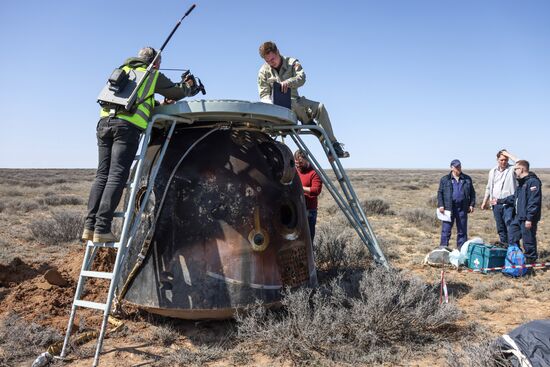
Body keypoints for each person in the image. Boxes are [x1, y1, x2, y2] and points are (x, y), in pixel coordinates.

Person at [82, 47, 200, 243]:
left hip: (104, 125)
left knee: (102, 174)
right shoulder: (151, 74)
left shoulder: (124, 72)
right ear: (155, 63)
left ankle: (89, 226)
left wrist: (159, 104)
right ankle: (102, 227)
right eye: (159, 64)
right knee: (117, 175)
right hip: (126, 129)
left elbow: (138, 102)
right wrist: (188, 86)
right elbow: (178, 92)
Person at [257, 41, 349, 159]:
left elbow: (302, 78)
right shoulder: (263, 71)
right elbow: (264, 95)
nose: (271, 63)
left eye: (273, 59)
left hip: (297, 101)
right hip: (278, 109)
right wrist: (272, 105)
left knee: (319, 107)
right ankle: (310, 124)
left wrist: (288, 82)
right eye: (267, 61)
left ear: (278, 52)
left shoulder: (292, 63)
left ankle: (334, 145)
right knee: (292, 104)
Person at [500, 160, 542, 263]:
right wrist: (499, 201)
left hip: (527, 219)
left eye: (515, 169)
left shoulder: (533, 182)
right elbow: (514, 198)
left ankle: (530, 263)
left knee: (528, 241)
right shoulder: (521, 183)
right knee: (512, 236)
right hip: (518, 217)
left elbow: (534, 202)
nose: (514, 171)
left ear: (522, 169)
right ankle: (515, 259)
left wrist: (529, 218)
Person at [480, 149, 519, 243]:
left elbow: (520, 163)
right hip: (495, 204)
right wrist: (485, 201)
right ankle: (504, 249)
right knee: (501, 229)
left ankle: (514, 249)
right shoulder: (492, 171)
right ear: (497, 159)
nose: (504, 162)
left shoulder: (512, 169)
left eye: (506, 159)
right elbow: (489, 187)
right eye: (501, 159)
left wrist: (508, 154)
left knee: (510, 227)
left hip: (508, 204)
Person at [437, 159, 476, 249]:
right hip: (448, 208)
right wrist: (441, 205)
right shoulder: (445, 179)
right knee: (446, 230)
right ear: (452, 168)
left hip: (462, 208)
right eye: (456, 167)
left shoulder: (467, 179)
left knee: (462, 231)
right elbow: (440, 193)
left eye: (460, 166)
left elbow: (472, 193)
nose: (459, 168)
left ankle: (461, 250)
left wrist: (471, 204)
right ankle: (443, 249)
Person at [294, 150, 322, 241]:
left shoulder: (314, 173)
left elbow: (316, 190)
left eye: (300, 162)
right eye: (296, 163)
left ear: (307, 160)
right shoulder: (294, 171)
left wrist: (299, 188)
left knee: (307, 239)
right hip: (296, 210)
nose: (298, 165)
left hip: (309, 211)